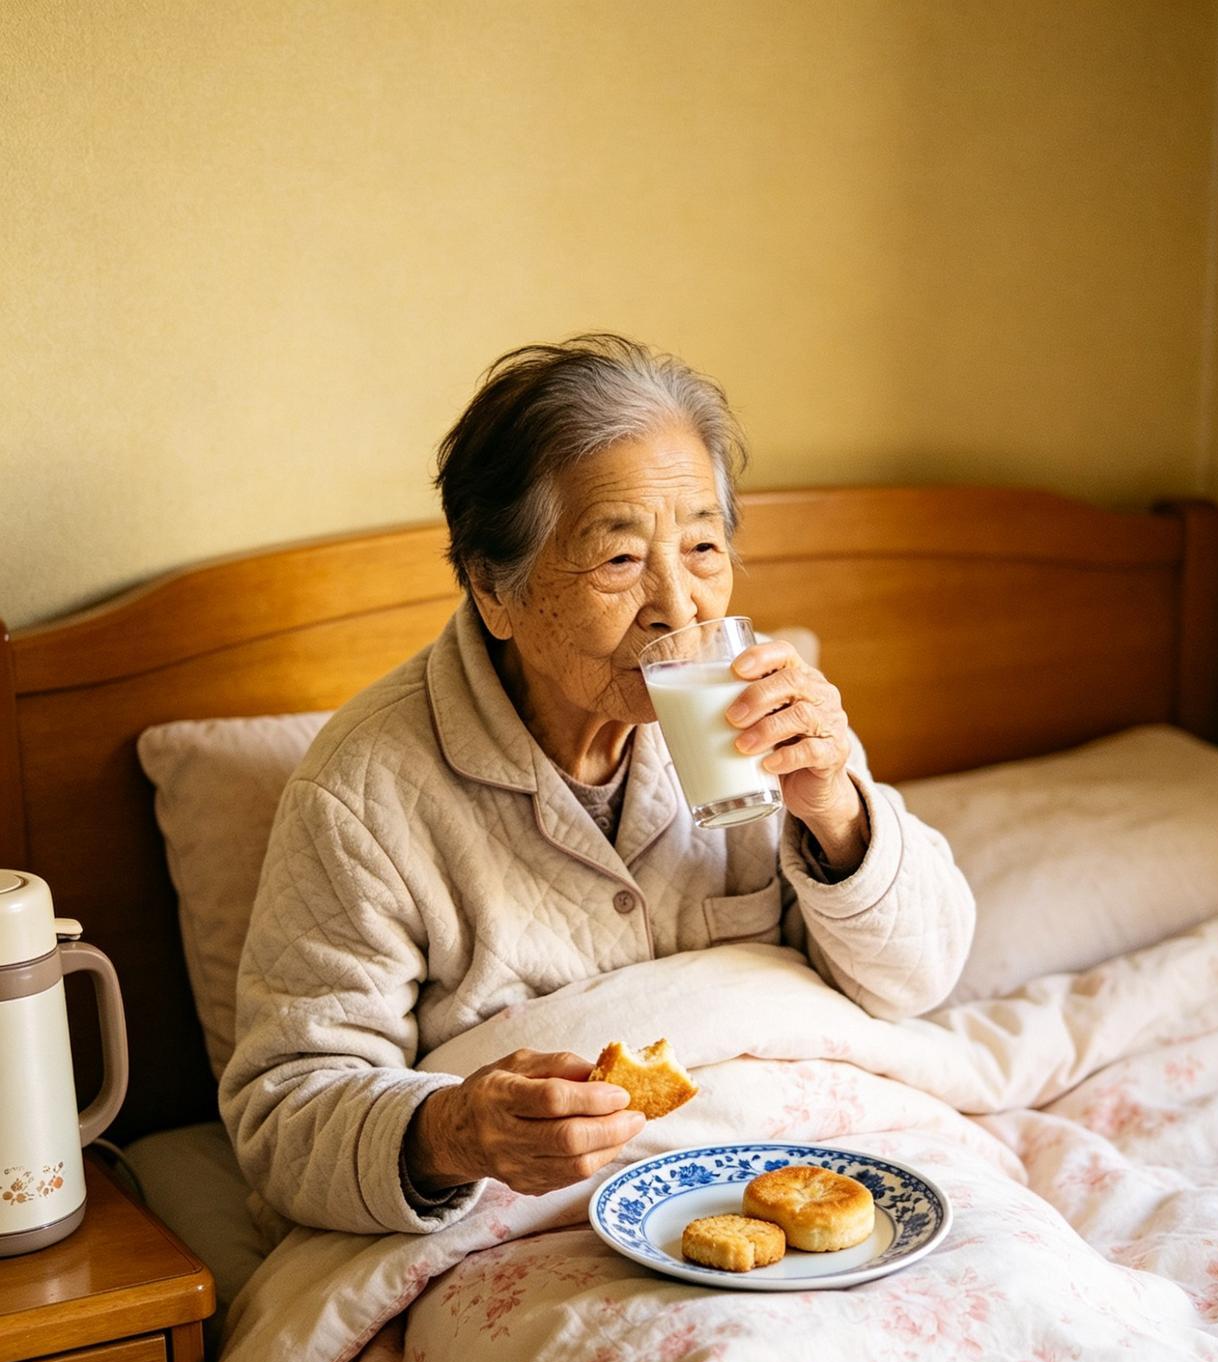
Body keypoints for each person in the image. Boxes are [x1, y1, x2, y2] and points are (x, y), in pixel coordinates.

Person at [220, 334, 975, 1235]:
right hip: (534, 1225)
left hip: (811, 1165)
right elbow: (284, 1114)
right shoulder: (362, 793)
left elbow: (917, 983)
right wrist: (453, 1131)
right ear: (493, 591)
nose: (680, 606)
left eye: (703, 547)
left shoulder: (763, 717)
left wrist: (838, 813)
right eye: (619, 561)